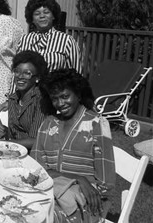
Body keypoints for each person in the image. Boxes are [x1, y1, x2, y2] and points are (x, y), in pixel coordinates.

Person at [31, 68, 115, 223]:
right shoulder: (49, 123)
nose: (60, 103)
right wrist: (77, 178)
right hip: (47, 194)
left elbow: (106, 184)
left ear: (79, 93)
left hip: (86, 202)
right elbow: (35, 169)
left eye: (65, 96)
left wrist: (81, 184)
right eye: (55, 98)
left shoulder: (96, 124)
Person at [18, 0, 82, 73]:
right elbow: (17, 72)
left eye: (46, 12)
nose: (42, 16)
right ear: (32, 19)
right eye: (37, 14)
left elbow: (76, 75)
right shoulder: (24, 40)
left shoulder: (67, 41)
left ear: (53, 16)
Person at [6, 50, 47, 150]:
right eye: (17, 71)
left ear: (37, 78)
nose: (20, 76)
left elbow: (36, 140)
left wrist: (7, 143)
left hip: (35, 156)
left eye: (27, 73)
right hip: (14, 152)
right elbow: (13, 133)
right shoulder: (13, 98)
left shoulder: (41, 100)